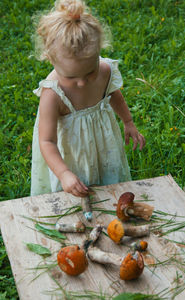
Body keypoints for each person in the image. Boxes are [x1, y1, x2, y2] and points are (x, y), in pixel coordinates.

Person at [31, 0, 145, 197]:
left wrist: (128, 122)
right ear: (50, 58)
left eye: (90, 72)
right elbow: (47, 141)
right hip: (70, 154)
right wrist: (64, 173)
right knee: (73, 196)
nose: (83, 82)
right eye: (72, 77)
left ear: (98, 52)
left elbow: (114, 94)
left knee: (106, 189)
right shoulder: (52, 94)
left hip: (102, 144)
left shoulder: (105, 71)